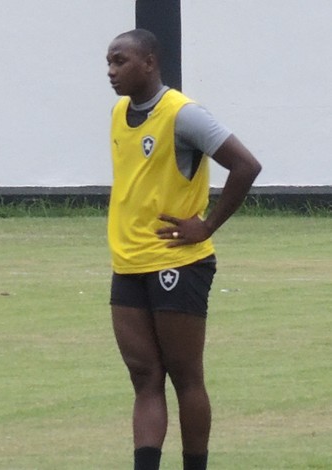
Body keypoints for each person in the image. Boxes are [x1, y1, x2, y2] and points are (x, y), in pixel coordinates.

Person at [105, 29, 261, 470]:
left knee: (185, 377)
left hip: (178, 263)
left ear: (150, 62)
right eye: (109, 63)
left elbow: (246, 165)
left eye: (121, 62)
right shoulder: (119, 112)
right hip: (128, 263)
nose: (112, 72)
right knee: (144, 377)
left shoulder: (183, 115)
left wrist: (207, 224)